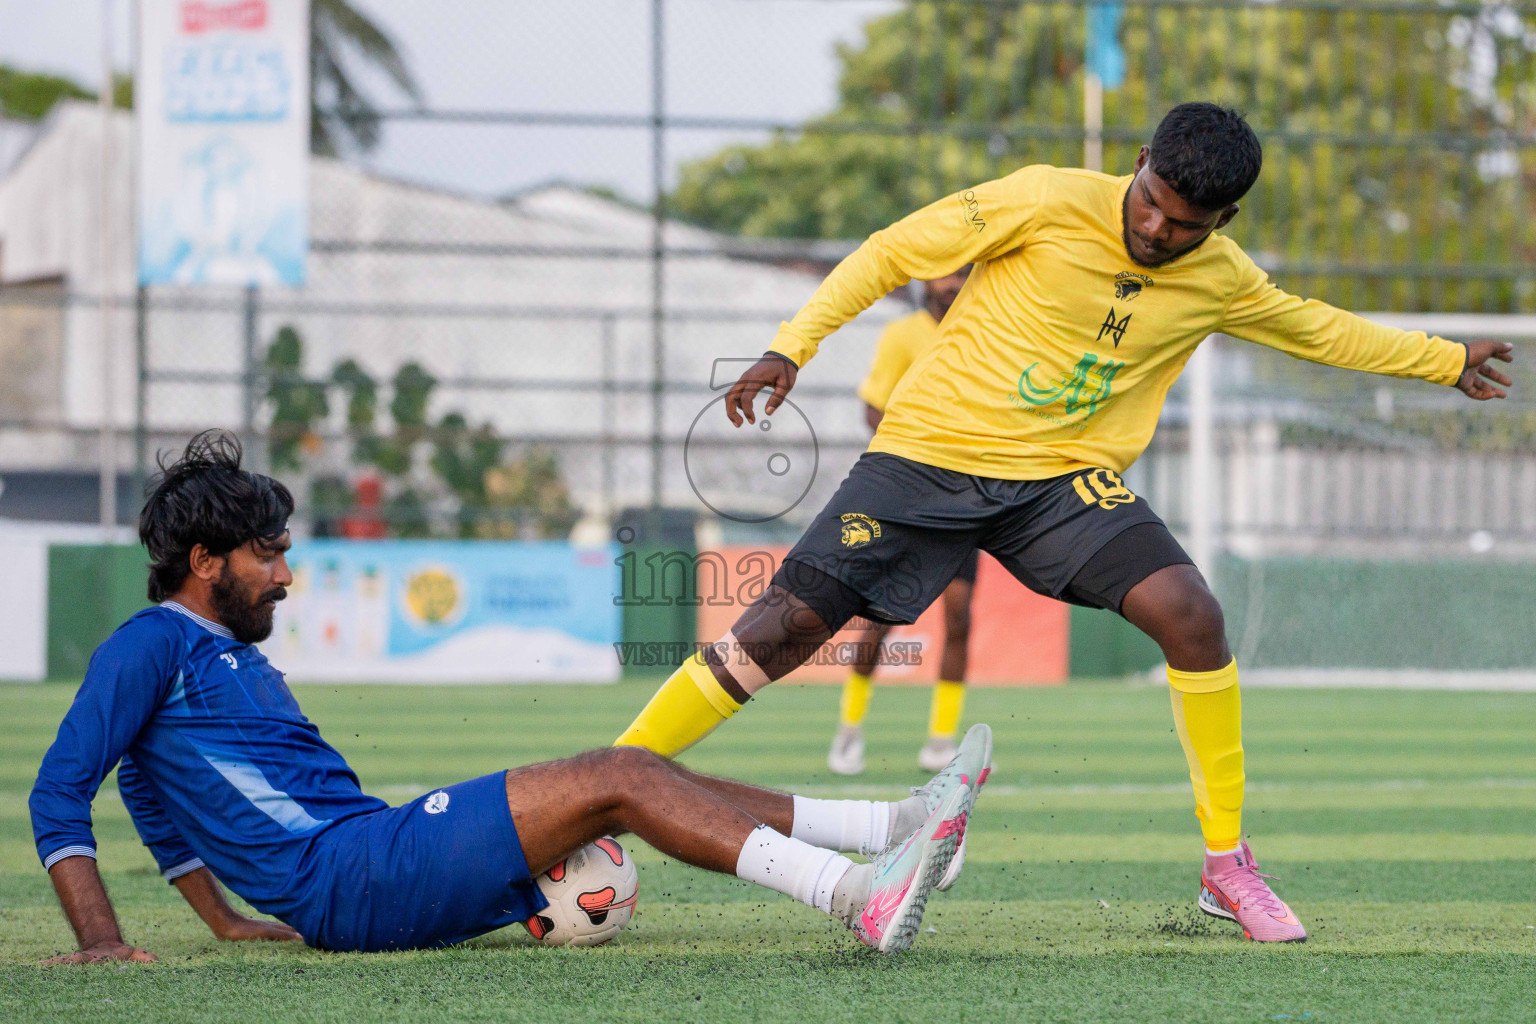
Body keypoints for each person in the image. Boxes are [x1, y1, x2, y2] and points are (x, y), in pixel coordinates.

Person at [613, 102, 1515, 943]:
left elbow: (1316, 329)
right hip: (928, 452)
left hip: (1060, 483)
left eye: (1186, 224)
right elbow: (892, 250)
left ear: (1223, 223)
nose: (1158, 230)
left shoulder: (1220, 280)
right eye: (1152, 203)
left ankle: (1226, 867)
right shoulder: (1043, 198)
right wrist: (790, 347)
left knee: (1190, 613)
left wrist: (1444, 361)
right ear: (1138, 166)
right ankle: (597, 782)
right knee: (782, 629)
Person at [29, 431, 989, 963]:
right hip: (353, 875)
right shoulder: (150, 646)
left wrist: (227, 921)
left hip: (366, 861)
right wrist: (102, 941)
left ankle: (895, 827)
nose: (285, 573)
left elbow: (155, 806)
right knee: (616, 775)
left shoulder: (212, 658)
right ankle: (858, 897)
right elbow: (60, 794)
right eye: (266, 554)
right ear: (203, 563)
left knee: (638, 772)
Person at [832, 267, 980, 775]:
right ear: (926, 283)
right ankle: (849, 731)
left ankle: (941, 742)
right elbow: (872, 410)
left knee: (959, 618)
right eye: (946, 275)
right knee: (880, 616)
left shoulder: (988, 331)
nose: (953, 284)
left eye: (964, 274)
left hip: (964, 499)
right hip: (909, 496)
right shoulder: (902, 334)